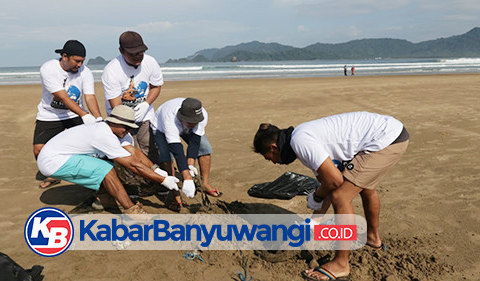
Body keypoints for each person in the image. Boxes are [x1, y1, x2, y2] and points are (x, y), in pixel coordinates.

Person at [253, 111, 409, 280]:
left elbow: (334, 183)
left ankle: (341, 264)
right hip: (390, 133)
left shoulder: (300, 142)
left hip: (386, 139)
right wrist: (314, 221)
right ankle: (372, 238)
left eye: (270, 159)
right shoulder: (301, 137)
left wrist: (316, 196)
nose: (275, 163)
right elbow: (329, 183)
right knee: (365, 187)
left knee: (341, 197)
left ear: (273, 148)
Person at [36, 105, 180, 214]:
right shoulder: (103, 134)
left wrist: (157, 169)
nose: (128, 131)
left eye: (131, 128)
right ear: (114, 123)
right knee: (106, 169)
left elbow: (134, 153)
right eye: (126, 127)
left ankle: (103, 200)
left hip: (62, 154)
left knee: (108, 165)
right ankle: (132, 211)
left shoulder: (118, 132)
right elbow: (133, 165)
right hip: (52, 161)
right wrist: (162, 180)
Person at [33, 40, 103, 189]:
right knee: (39, 150)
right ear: (65, 56)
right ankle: (53, 174)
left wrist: (97, 118)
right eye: (77, 61)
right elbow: (63, 96)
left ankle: (87, 175)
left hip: (75, 115)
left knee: (91, 148)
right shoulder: (48, 68)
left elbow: (89, 96)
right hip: (50, 114)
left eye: (82, 61)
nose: (79, 65)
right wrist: (85, 115)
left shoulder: (85, 72)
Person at [101, 31, 163, 164]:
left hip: (145, 116)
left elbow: (156, 87)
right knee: (128, 151)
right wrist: (128, 122)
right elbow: (116, 105)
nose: (138, 57)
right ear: (121, 51)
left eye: (140, 52)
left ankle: (156, 176)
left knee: (150, 148)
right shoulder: (112, 70)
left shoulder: (150, 62)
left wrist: (146, 103)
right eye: (132, 54)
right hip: (121, 119)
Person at [151, 97, 222, 211]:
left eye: (195, 122)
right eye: (189, 122)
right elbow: (177, 149)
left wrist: (190, 165)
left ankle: (205, 184)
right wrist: (187, 177)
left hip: (182, 126)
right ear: (181, 117)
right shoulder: (170, 119)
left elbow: (195, 142)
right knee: (167, 157)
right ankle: (175, 194)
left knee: (205, 148)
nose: (192, 124)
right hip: (160, 128)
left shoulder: (202, 115)